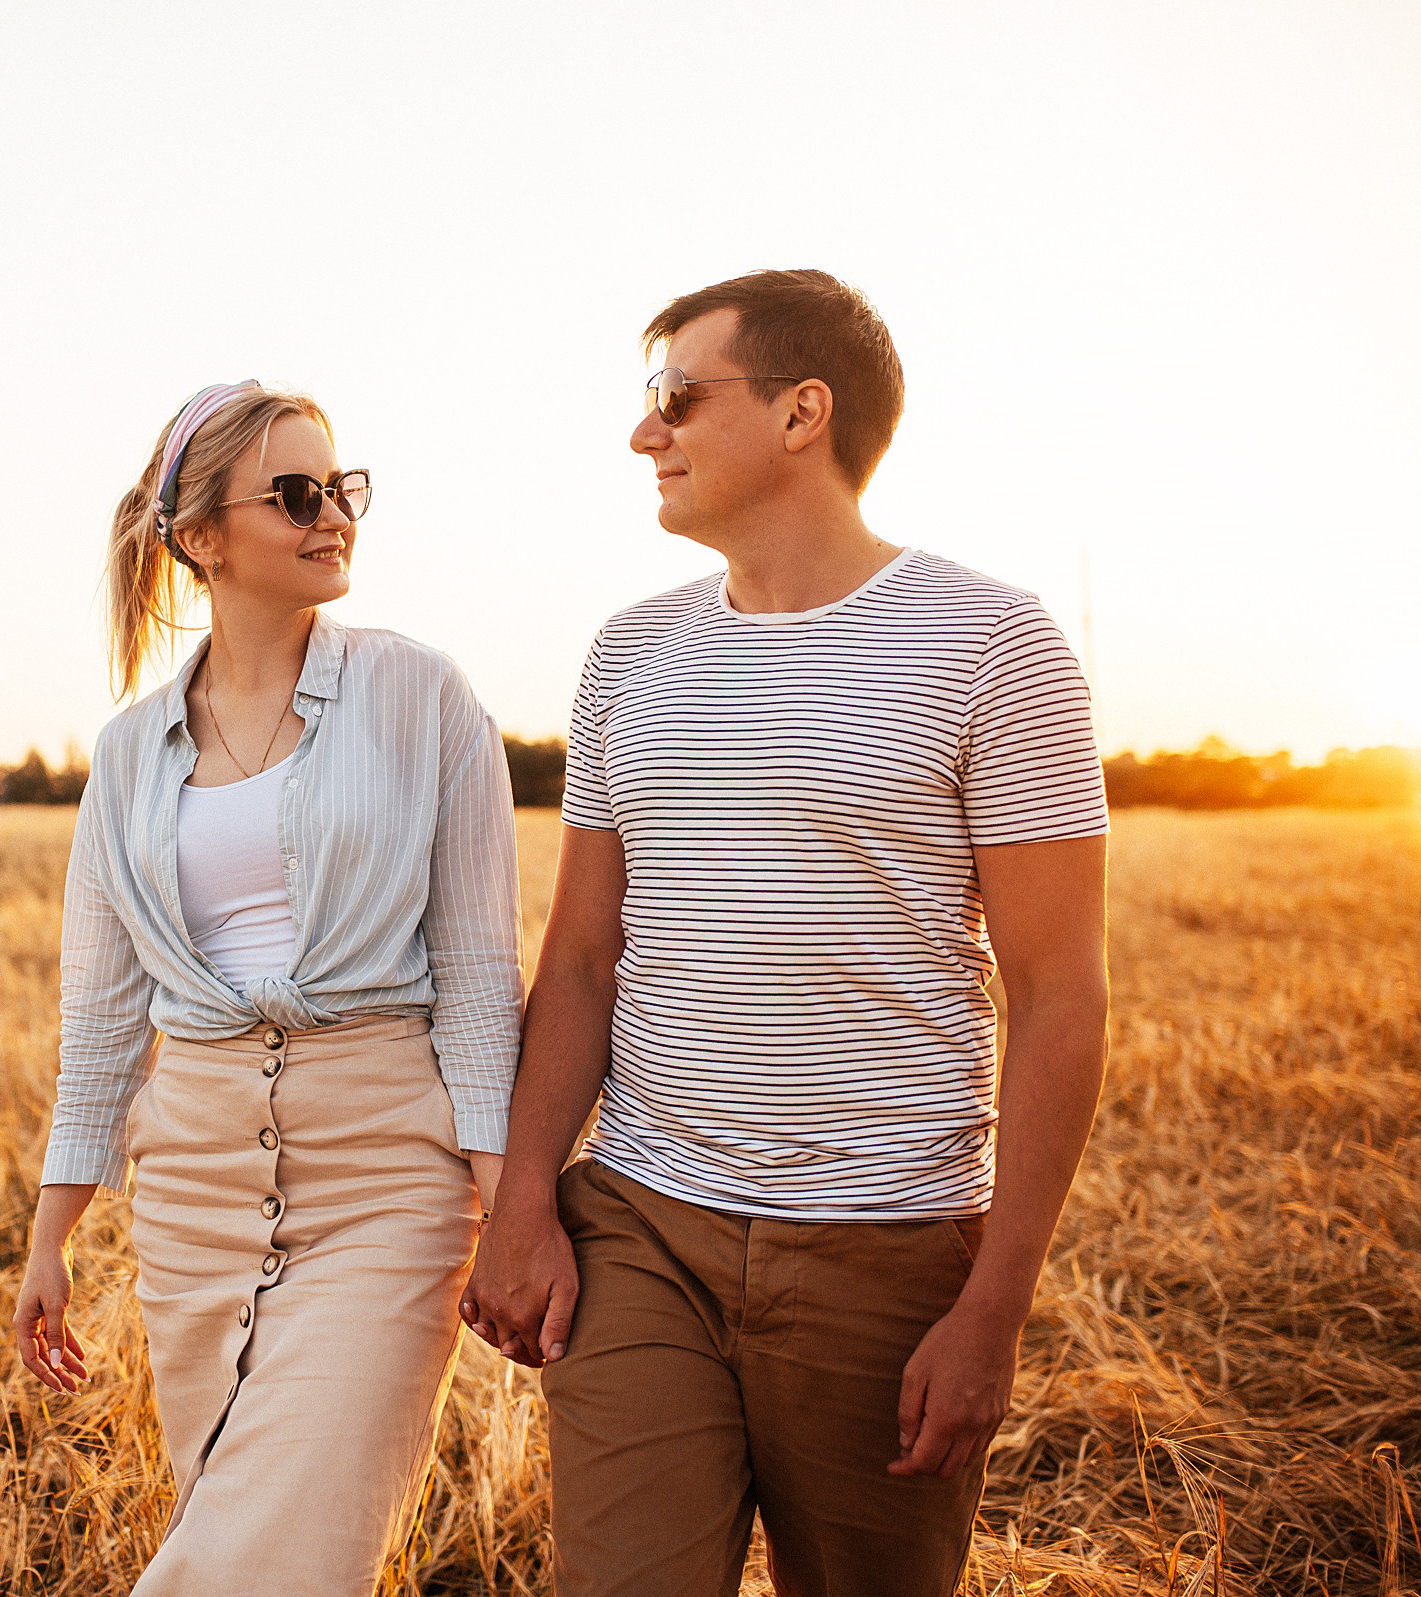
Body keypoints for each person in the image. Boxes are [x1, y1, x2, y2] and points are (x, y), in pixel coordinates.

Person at [462, 270, 1111, 1597]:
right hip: (643, 1232)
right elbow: (583, 959)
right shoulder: (628, 654)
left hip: (886, 1259)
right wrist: (527, 1196)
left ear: (804, 411)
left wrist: (993, 1307)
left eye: (676, 397)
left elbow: (1058, 996)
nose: (646, 433)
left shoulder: (994, 643)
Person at [11, 381, 524, 1593]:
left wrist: (514, 1212)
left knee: (276, 1561)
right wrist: (53, 1231)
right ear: (199, 538)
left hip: (387, 1183)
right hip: (190, 1197)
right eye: (295, 494)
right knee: (252, 1537)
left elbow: (479, 981)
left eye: (342, 488)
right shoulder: (131, 752)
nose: (332, 515)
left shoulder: (423, 697)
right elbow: (99, 1020)